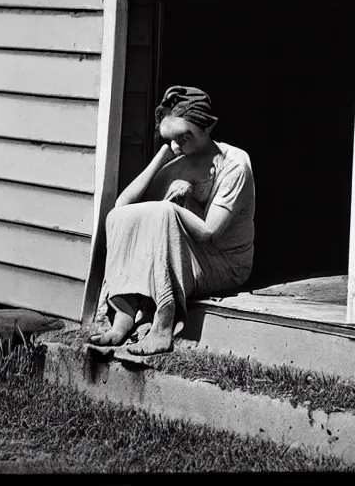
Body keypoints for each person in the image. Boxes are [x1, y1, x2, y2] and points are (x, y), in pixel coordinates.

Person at [90, 86, 255, 355]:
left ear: (208, 128)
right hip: (187, 254)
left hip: (225, 262)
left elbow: (209, 232)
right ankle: (124, 314)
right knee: (121, 217)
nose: (177, 146)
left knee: (162, 215)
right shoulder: (178, 160)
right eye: (171, 139)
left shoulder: (235, 165)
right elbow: (123, 207)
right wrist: (162, 157)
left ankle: (163, 326)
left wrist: (169, 209)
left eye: (184, 137)